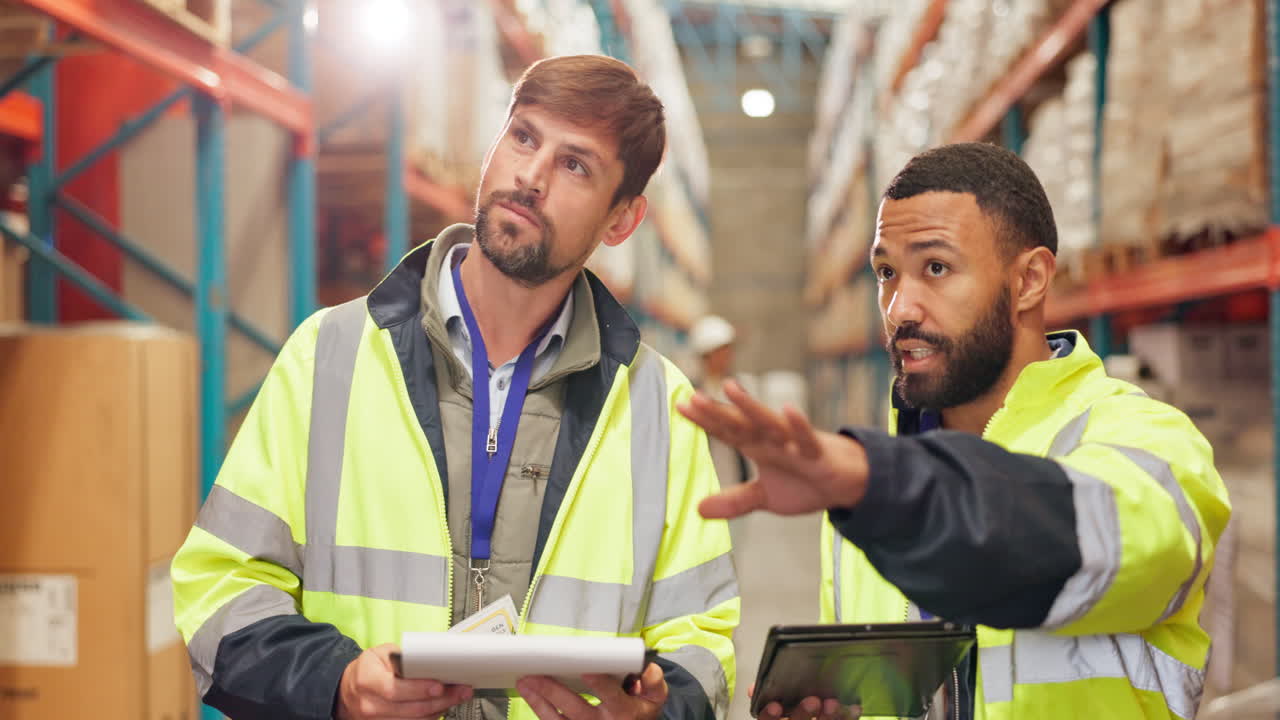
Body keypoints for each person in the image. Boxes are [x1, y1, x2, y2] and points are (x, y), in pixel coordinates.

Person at [172, 55, 738, 720]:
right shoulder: (329, 357)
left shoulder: (659, 410)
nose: (531, 176)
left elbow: (703, 647)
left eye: (575, 164)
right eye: (523, 137)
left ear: (623, 220)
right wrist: (340, 683)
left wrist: (656, 714)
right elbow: (219, 588)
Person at [679, 142, 1230, 720]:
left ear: (1030, 280)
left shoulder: (1149, 441)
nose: (898, 309)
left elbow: (1089, 546)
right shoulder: (859, 498)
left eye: (935, 268)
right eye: (887, 273)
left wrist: (879, 484)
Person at [689, 314, 753, 486]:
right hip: (704, 473)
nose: (727, 357)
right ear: (707, 355)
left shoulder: (738, 388)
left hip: (733, 474)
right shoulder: (691, 389)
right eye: (721, 351)